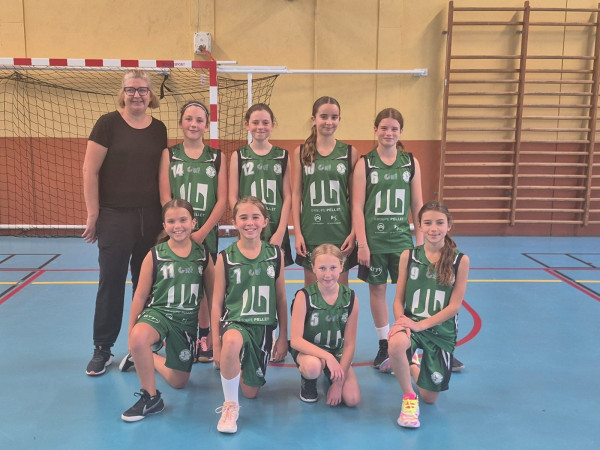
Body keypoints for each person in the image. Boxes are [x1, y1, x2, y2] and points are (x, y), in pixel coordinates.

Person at [82, 69, 167, 376]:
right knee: (111, 282)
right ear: (123, 93)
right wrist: (94, 214)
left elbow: (162, 174)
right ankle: (103, 348)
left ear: (150, 94)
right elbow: (90, 170)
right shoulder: (107, 124)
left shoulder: (158, 129)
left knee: (147, 284)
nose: (136, 95)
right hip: (115, 216)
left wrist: (167, 216)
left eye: (142, 89)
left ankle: (141, 345)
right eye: (130, 89)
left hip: (151, 218)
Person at [119, 199, 214, 422]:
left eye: (183, 220)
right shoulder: (155, 254)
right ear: (164, 225)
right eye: (171, 221)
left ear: (193, 223)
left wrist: (211, 332)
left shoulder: (202, 254)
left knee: (179, 382)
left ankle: (147, 356)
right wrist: (131, 332)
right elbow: (140, 296)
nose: (177, 226)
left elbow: (212, 295)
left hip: (186, 322)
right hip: (159, 314)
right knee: (139, 338)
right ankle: (151, 398)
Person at [386, 201, 469, 428]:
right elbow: (398, 300)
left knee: (430, 398)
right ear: (419, 226)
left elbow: (454, 307)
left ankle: (412, 364)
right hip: (412, 325)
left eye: (440, 223)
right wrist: (401, 323)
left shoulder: (460, 260)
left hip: (440, 331)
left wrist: (421, 325)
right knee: (395, 343)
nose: (434, 228)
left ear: (449, 226)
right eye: (428, 223)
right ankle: (408, 397)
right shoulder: (408, 256)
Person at [352, 107, 423, 369]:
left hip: (402, 240)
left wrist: (420, 242)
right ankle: (384, 344)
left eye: (394, 128)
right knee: (378, 289)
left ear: (401, 131)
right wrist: (362, 243)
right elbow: (357, 206)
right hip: (375, 241)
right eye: (384, 128)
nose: (388, 133)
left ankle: (411, 342)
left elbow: (417, 204)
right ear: (375, 130)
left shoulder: (410, 162)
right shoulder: (365, 163)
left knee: (410, 292)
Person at [211, 196, 288, 434]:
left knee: (251, 392)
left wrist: (283, 336)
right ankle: (229, 406)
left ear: (265, 221)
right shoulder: (225, 257)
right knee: (232, 341)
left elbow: (281, 298)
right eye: (243, 217)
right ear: (234, 222)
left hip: (262, 327)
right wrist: (216, 343)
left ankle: (237, 360)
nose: (249, 222)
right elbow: (216, 302)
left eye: (255, 217)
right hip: (235, 321)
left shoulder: (275, 254)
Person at [158, 101, 227, 364]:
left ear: (206, 125)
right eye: (189, 119)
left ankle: (205, 336)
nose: (194, 124)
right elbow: (165, 196)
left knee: (207, 289)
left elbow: (222, 200)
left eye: (199, 120)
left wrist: (200, 232)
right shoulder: (169, 155)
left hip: (205, 235)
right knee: (179, 283)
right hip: (177, 234)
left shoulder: (217, 157)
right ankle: (179, 333)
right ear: (181, 123)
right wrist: (180, 230)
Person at [291, 96, 358, 287]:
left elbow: (356, 199)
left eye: (334, 117)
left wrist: (353, 233)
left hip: (340, 232)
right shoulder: (301, 152)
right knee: (312, 291)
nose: (329, 122)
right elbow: (296, 194)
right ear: (314, 119)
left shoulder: (349, 152)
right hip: (311, 231)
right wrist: (298, 233)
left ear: (339, 119)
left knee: (340, 292)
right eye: (324, 116)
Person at [289, 244, 360, 407]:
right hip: (310, 352)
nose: (328, 274)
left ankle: (332, 375)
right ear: (313, 268)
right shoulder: (304, 296)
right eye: (322, 268)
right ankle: (308, 380)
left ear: (341, 266)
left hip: (336, 351)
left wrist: (339, 383)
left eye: (333, 267)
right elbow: (295, 341)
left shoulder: (351, 298)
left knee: (352, 400)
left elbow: (349, 344)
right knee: (313, 367)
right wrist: (328, 357)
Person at [229, 103, 293, 266]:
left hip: (275, 225)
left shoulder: (282, 156)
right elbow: (232, 196)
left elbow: (287, 197)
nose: (260, 127)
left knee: (275, 272)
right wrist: (242, 223)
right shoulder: (239, 156)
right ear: (247, 125)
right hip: (249, 226)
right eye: (255, 122)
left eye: (265, 122)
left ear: (272, 125)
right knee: (248, 269)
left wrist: (281, 231)